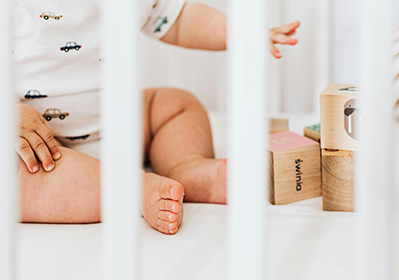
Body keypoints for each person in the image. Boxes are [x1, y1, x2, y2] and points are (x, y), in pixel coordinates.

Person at [15, 0, 300, 235]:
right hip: (45, 151)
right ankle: (136, 190)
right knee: (12, 178)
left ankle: (188, 167)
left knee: (176, 105)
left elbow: (178, 18)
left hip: (124, 125)